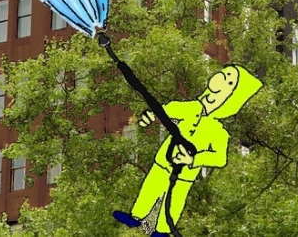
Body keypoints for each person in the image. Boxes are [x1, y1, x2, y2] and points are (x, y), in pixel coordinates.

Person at [113, 63, 263, 235]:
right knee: (151, 187)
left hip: (184, 175)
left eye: (230, 81)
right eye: (226, 74)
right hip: (163, 161)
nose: (224, 78)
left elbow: (220, 158)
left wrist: (192, 160)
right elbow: (166, 111)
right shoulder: (190, 107)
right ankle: (136, 216)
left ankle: (162, 231)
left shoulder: (218, 132)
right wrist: (150, 115)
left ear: (233, 97)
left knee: (174, 201)